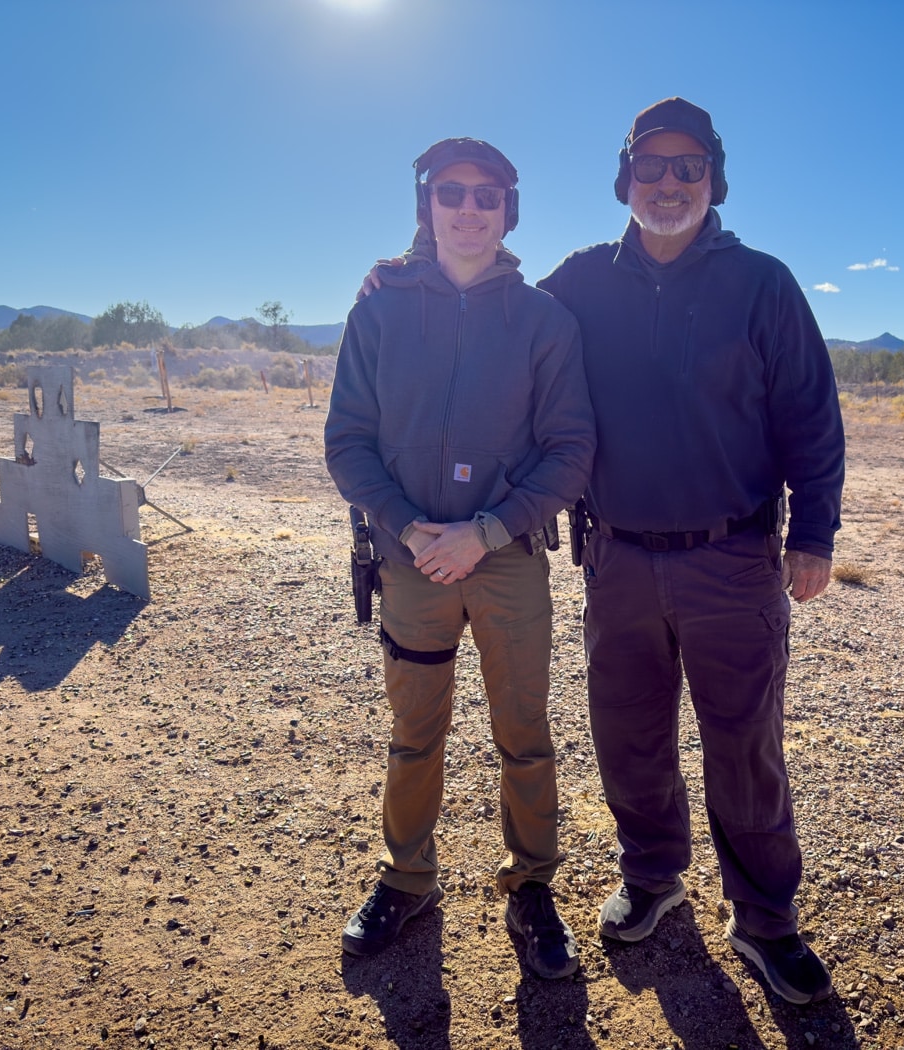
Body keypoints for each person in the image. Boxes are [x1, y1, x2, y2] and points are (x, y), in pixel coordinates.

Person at [361, 99, 845, 1006]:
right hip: (616, 556)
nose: (669, 185)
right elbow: (486, 294)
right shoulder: (580, 282)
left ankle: (767, 922)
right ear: (625, 179)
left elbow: (810, 417)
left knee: (744, 743)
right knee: (629, 735)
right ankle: (654, 877)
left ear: (715, 179)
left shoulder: (763, 284)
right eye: (652, 169)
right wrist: (401, 271)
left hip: (734, 556)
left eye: (688, 168)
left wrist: (814, 531)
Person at [324, 137, 595, 980]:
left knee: (524, 729)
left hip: (507, 556)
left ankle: (534, 887)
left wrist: (483, 531)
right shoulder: (378, 310)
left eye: (487, 194)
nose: (469, 208)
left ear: (509, 208)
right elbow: (347, 441)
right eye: (451, 192)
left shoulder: (544, 319)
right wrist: (408, 530)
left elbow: (571, 449)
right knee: (415, 733)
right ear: (426, 204)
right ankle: (407, 879)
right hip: (409, 561)